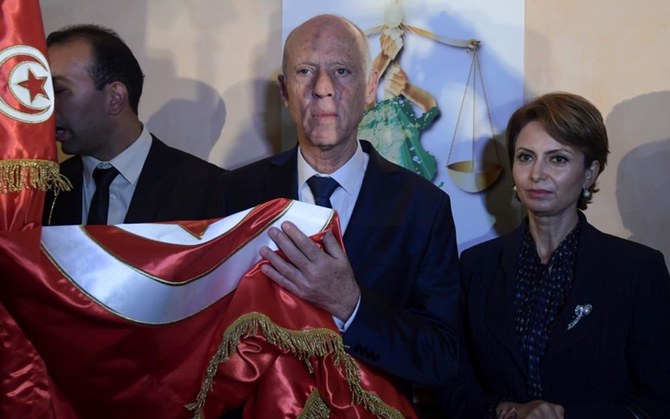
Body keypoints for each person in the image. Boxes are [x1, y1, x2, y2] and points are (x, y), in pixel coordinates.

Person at [218, 14, 461, 395]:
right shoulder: (235, 194)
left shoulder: (423, 208)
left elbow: (442, 356)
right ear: (284, 92)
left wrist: (351, 304)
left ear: (369, 88)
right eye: (305, 71)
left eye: (342, 71)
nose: (323, 88)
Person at [440, 92, 670, 418]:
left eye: (557, 159)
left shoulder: (637, 271)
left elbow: (659, 402)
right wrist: (506, 410)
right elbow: (452, 388)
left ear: (590, 173)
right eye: (525, 157)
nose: (537, 174)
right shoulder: (477, 266)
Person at [43, 24, 225, 225]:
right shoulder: (41, 192)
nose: (43, 105)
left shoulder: (208, 191)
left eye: (58, 91)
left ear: (115, 98)